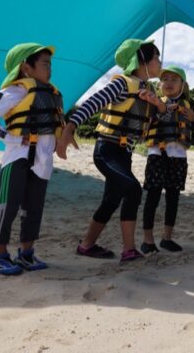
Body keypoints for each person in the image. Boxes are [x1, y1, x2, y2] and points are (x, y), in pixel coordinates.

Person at [58, 39, 167, 263]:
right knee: (133, 190)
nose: (160, 61)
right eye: (156, 57)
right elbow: (92, 103)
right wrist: (70, 128)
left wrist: (159, 105)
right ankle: (129, 250)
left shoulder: (149, 90)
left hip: (124, 153)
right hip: (107, 150)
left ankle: (86, 245)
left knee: (111, 200)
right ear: (142, 61)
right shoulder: (122, 84)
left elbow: (160, 119)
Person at [0, 43, 64, 275]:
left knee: (34, 207)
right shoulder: (16, 91)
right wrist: (11, 139)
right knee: (7, 205)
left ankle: (26, 254)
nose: (49, 69)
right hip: (18, 158)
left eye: (50, 64)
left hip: (42, 160)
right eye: (44, 64)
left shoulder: (51, 93)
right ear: (26, 68)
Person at [141, 66, 194, 254]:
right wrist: (160, 106)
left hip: (178, 157)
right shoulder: (154, 103)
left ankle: (167, 238)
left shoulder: (187, 106)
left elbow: (191, 119)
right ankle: (147, 240)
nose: (169, 83)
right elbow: (155, 117)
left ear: (183, 85)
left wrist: (191, 115)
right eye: (165, 79)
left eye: (174, 79)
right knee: (153, 198)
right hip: (157, 155)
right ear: (159, 84)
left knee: (173, 199)